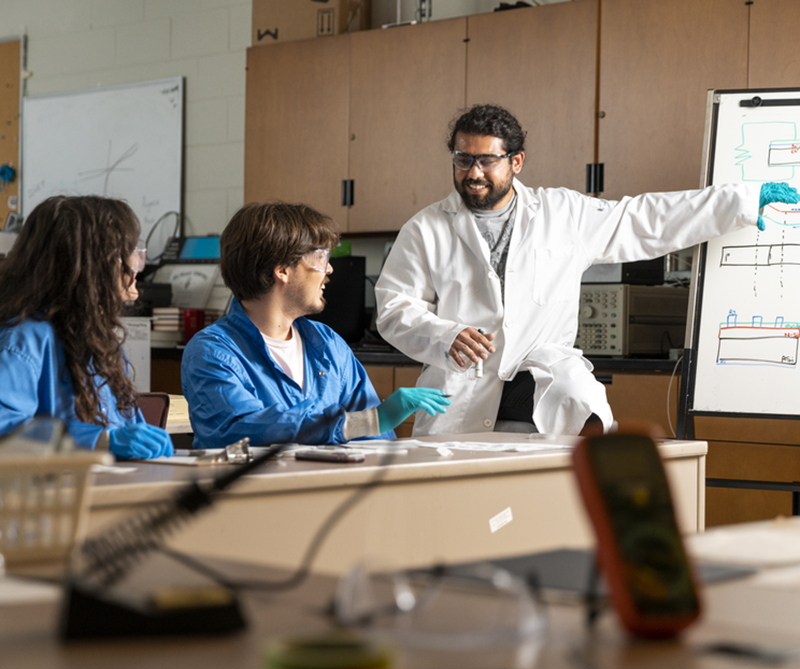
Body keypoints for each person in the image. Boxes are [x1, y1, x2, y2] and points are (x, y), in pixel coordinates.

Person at [375, 103, 799, 437]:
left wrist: (739, 202)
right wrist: (444, 335)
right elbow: (393, 307)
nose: (473, 173)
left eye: (487, 161)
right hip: (463, 389)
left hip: (540, 380)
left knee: (575, 445)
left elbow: (646, 218)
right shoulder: (425, 228)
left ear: (516, 161)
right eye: (463, 159)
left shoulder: (563, 214)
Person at [181, 201, 449, 449]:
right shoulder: (211, 352)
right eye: (320, 257)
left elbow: (376, 442)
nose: (329, 269)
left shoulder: (328, 344)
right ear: (282, 269)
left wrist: (373, 426)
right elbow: (238, 430)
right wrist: (364, 421)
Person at [0, 195, 174, 459]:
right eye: (127, 255)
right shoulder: (22, 341)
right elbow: (5, 430)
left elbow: (128, 430)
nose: (136, 267)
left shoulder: (99, 341)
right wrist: (101, 441)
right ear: (91, 267)